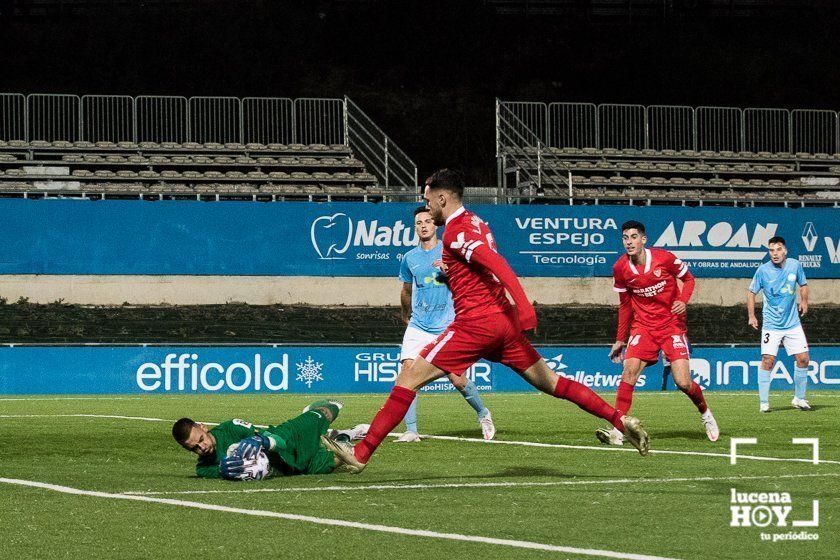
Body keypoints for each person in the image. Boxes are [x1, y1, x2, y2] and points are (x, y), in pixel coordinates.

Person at [323, 169, 650, 474]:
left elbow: (496, 263)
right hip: (501, 324)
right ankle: (620, 421)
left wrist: (526, 307)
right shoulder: (477, 222)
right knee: (553, 383)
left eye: (427, 200)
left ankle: (361, 453)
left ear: (442, 199)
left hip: (478, 323)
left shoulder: (455, 231)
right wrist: (450, 274)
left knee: (408, 377)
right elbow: (479, 268)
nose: (425, 208)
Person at [596, 220, 719, 447]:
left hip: (672, 325)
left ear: (643, 239)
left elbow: (689, 279)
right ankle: (617, 430)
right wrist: (620, 339)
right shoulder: (620, 268)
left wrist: (683, 300)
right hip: (643, 327)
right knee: (628, 373)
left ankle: (705, 414)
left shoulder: (665, 258)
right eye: (625, 237)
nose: (629, 242)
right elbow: (624, 306)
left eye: (634, 237)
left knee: (683, 382)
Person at [397, 205, 495, 442]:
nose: (423, 226)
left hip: (448, 325)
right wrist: (404, 314)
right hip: (419, 324)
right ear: (415, 227)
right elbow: (406, 290)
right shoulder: (409, 258)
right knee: (407, 374)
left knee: (457, 379)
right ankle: (411, 430)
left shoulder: (450, 250)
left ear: (435, 224)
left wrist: (449, 272)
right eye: (419, 222)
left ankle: (483, 414)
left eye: (427, 221)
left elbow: (471, 278)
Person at [172, 400, 368, 479]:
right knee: (347, 457)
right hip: (292, 469)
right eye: (195, 448)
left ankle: (321, 407)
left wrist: (260, 441)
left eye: (201, 439)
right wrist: (223, 473)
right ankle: (343, 436)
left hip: (288, 441)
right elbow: (223, 473)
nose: (202, 447)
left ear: (202, 427)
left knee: (323, 413)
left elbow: (269, 438)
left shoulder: (231, 427)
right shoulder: (204, 469)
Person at [747, 236, 811, 412]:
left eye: (778, 249)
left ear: (785, 251)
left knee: (804, 359)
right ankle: (764, 402)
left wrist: (804, 301)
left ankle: (799, 398)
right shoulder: (763, 271)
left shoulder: (795, 265)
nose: (774, 253)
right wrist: (752, 316)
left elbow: (803, 284)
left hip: (792, 323)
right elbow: (751, 293)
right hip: (771, 324)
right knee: (768, 360)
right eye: (771, 250)